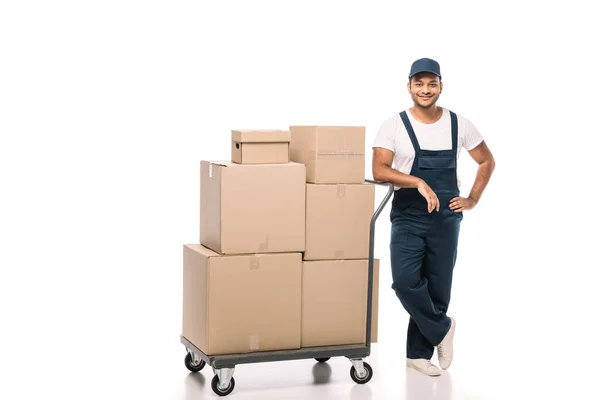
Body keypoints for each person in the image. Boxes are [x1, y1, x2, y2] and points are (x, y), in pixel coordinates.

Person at [372, 58, 495, 376]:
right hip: (409, 216)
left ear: (440, 85)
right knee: (405, 282)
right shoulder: (394, 124)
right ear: (409, 86)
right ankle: (443, 328)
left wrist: (472, 199)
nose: (425, 90)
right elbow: (379, 169)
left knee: (438, 286)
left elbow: (486, 161)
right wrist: (417, 181)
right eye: (419, 83)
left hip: (446, 216)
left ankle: (418, 355)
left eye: (432, 83)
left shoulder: (459, 124)